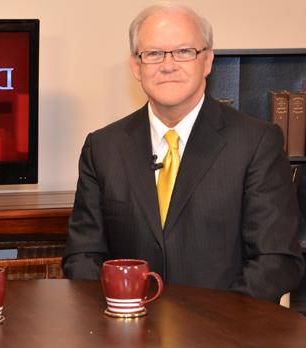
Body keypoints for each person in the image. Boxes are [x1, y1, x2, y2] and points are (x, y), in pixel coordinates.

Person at [62, 2, 304, 302]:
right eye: (153, 53)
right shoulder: (102, 147)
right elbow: (82, 256)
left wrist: (215, 326)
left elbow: (276, 260)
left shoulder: (257, 143)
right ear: (136, 67)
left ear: (207, 61)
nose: (168, 64)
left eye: (183, 52)